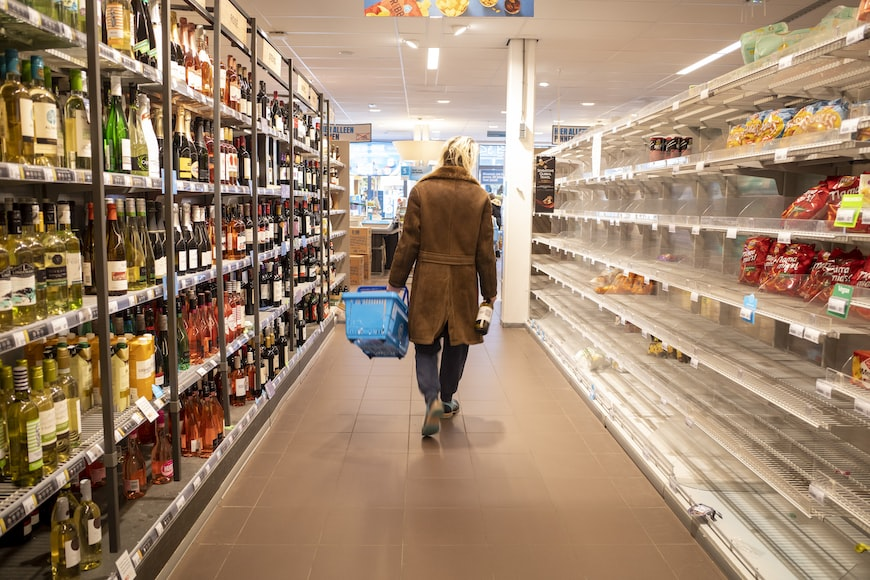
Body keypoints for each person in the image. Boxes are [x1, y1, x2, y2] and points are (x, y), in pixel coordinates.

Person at [387, 136, 498, 437]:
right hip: (463, 281)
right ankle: (447, 398)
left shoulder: (422, 190)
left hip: (430, 279)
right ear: (469, 160)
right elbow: (485, 252)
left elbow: (408, 242)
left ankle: (431, 399)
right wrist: (489, 291)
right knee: (457, 342)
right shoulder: (479, 197)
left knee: (425, 343)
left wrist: (396, 281)